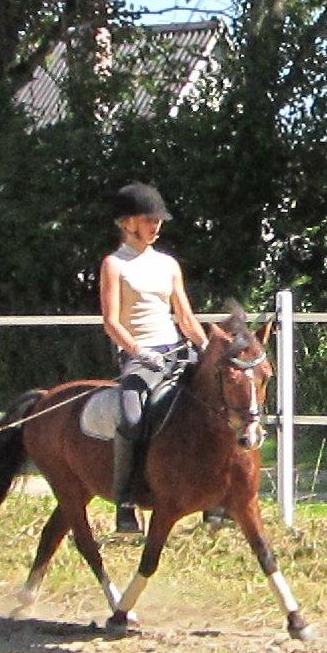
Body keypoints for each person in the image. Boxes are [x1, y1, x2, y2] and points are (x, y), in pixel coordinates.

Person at [99, 182, 208, 533]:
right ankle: (126, 500)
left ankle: (216, 496)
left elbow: (186, 318)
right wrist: (139, 352)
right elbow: (112, 322)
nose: (156, 226)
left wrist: (205, 349)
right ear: (127, 222)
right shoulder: (114, 265)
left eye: (159, 220)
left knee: (217, 402)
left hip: (175, 350)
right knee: (132, 418)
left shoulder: (169, 265)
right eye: (149, 220)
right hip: (139, 354)